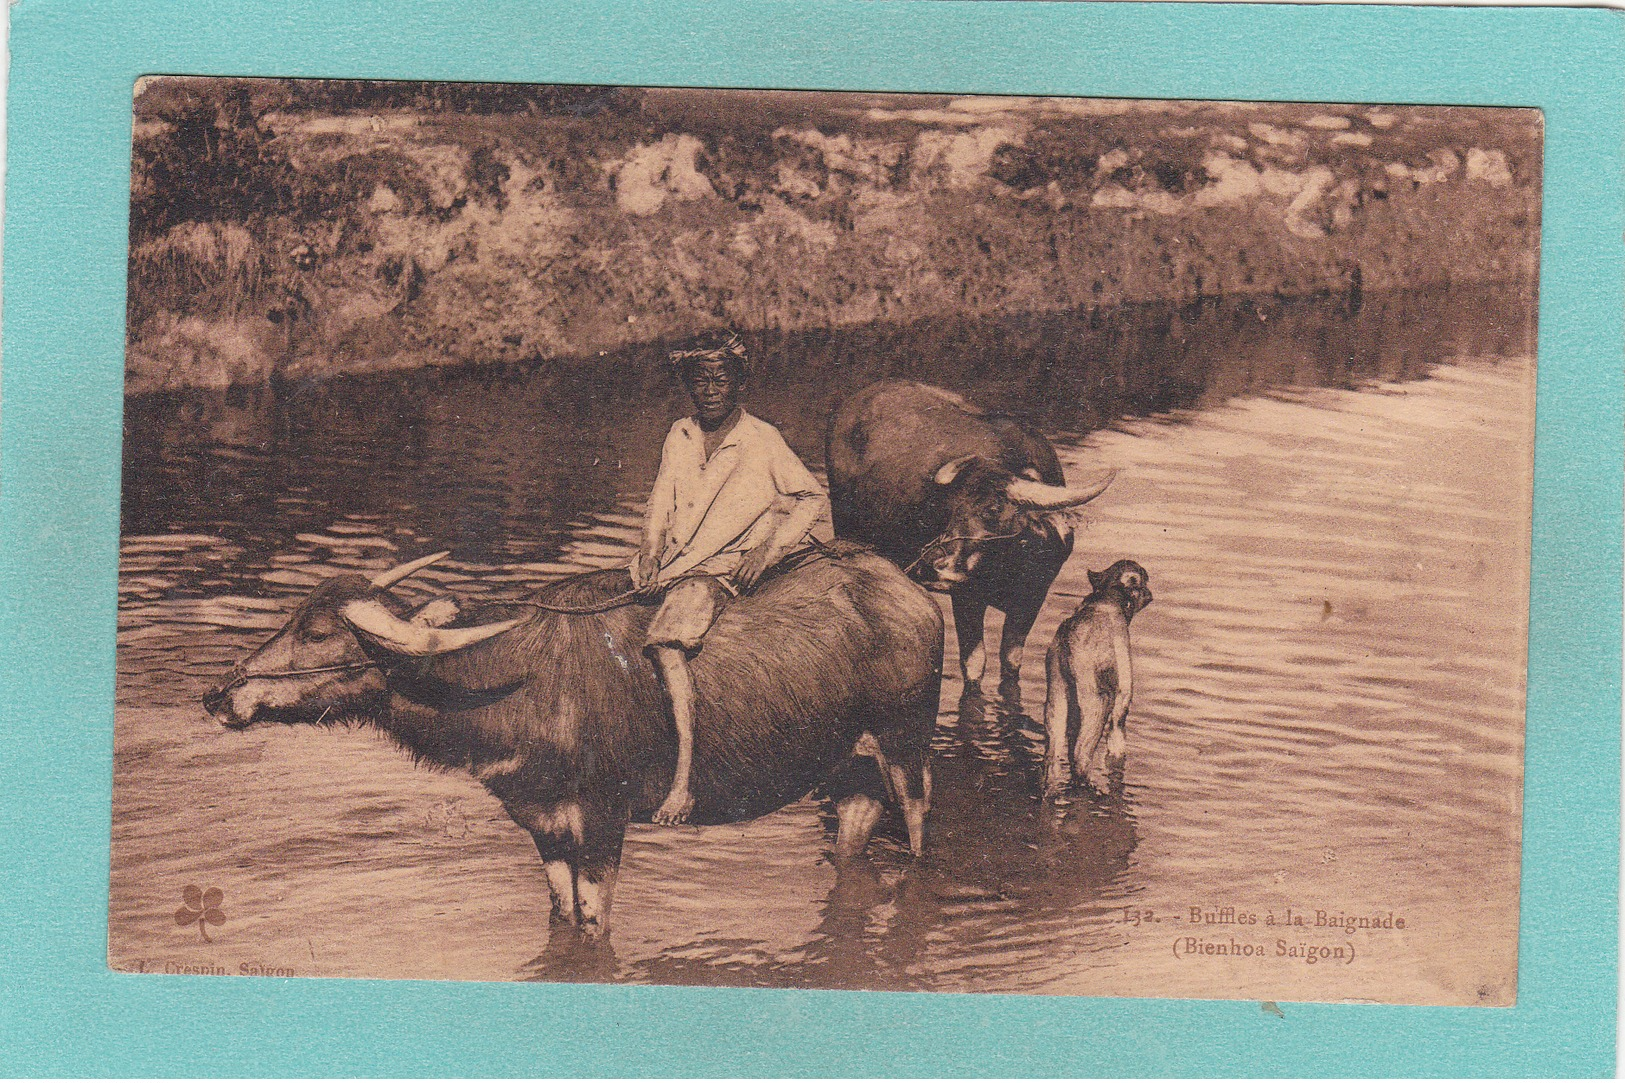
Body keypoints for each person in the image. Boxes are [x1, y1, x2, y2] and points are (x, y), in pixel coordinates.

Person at [633, 331, 829, 825]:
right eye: (700, 380)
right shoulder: (679, 434)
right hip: (674, 561)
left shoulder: (762, 438)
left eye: (721, 378)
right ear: (688, 386)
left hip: (720, 568)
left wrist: (766, 551)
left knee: (667, 644)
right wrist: (650, 552)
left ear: (738, 382)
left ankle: (683, 781)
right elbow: (659, 504)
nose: (711, 389)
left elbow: (810, 497)